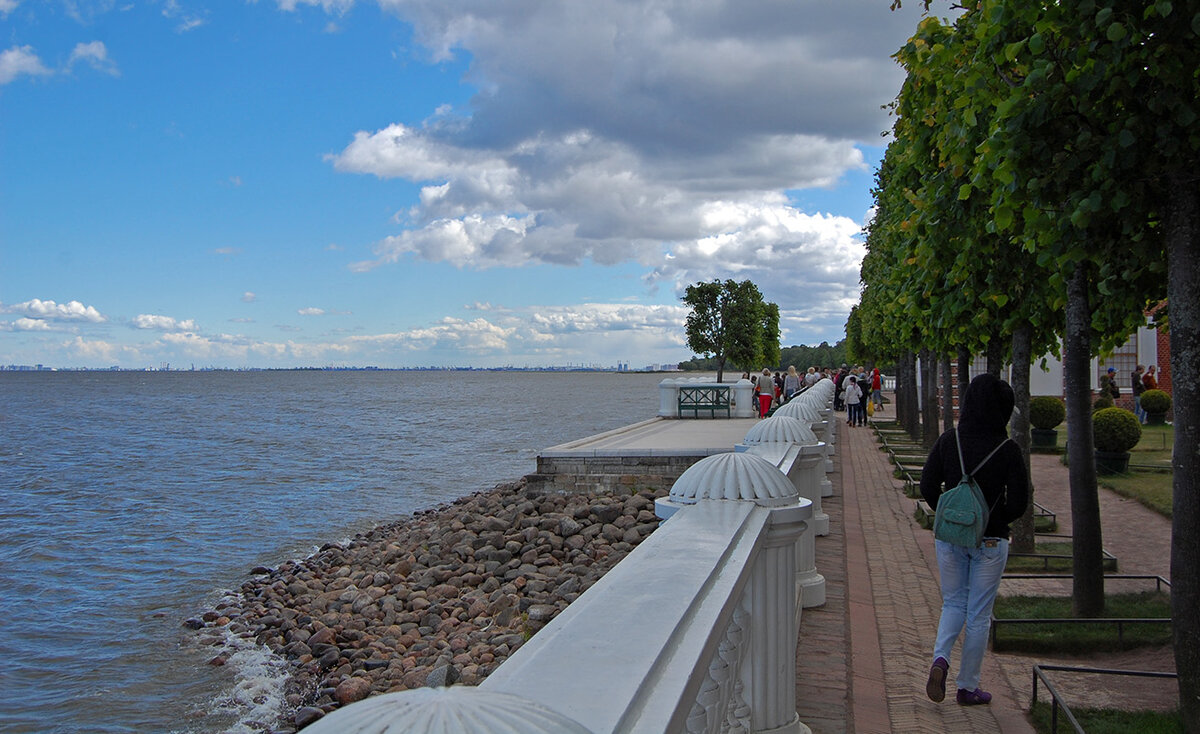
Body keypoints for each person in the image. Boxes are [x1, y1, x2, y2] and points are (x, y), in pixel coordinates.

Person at [921, 374, 1029, 707]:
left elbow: (928, 486)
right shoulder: (1008, 449)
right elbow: (1020, 502)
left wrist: (952, 518)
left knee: (953, 602)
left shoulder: (949, 440)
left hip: (952, 538)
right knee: (979, 614)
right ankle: (967, 687)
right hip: (992, 541)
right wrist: (990, 521)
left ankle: (940, 659)